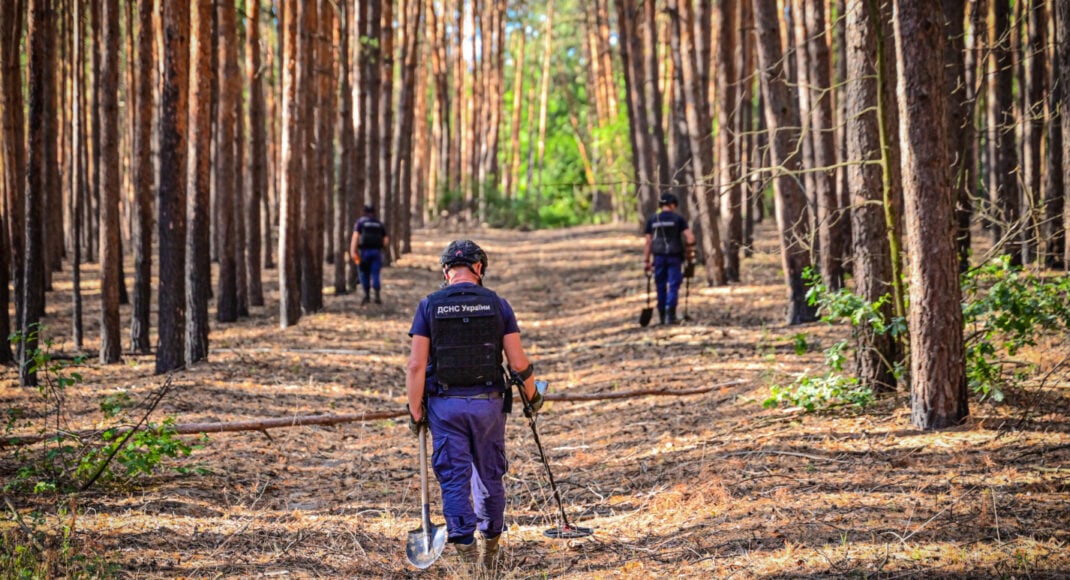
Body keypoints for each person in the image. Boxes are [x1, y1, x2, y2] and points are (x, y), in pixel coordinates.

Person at [405, 239, 542, 573]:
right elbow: (518, 361)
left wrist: (415, 412)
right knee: (489, 475)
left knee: (454, 478)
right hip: (488, 405)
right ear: (479, 268)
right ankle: (491, 546)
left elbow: (415, 367)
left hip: (445, 406)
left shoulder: (429, 305)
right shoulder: (497, 304)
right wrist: (532, 396)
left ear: (445, 271)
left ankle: (466, 553)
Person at [644, 192, 696, 325]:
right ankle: (670, 315)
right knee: (673, 285)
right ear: (673, 205)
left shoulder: (652, 220)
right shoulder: (678, 219)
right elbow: (690, 238)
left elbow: (648, 242)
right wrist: (689, 252)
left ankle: (662, 316)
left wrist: (646, 261)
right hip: (674, 257)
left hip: (658, 257)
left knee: (660, 286)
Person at [349, 204, 390, 304]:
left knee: (364, 273)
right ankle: (377, 295)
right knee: (375, 273)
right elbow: (386, 239)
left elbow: (355, 237)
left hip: (364, 252)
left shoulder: (360, 222)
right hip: (376, 252)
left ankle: (366, 295)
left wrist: (353, 252)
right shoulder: (379, 223)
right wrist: (383, 248)